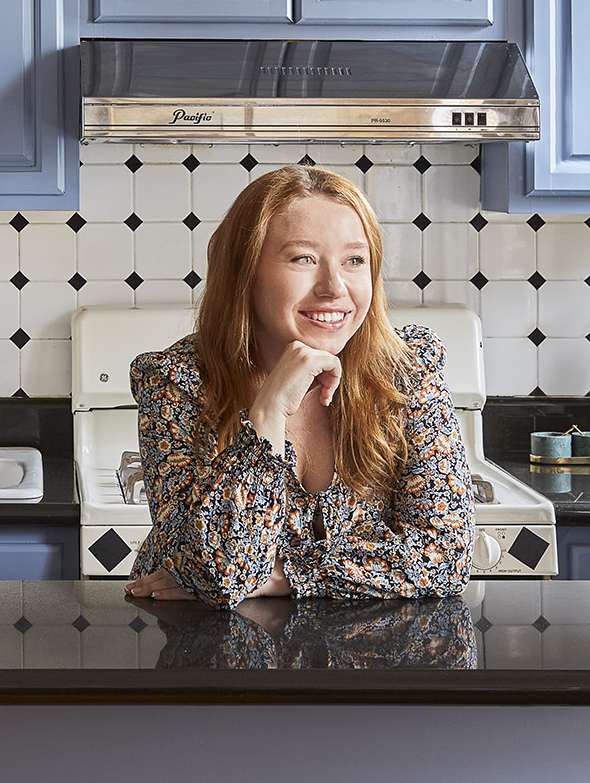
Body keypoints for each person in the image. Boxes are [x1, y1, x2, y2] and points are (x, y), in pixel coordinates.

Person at [124, 164, 475, 609]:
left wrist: (287, 574)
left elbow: (446, 556)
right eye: (303, 258)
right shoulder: (178, 381)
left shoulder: (406, 370)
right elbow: (218, 573)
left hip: (365, 665)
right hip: (213, 664)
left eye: (354, 260)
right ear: (245, 273)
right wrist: (268, 412)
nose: (334, 287)